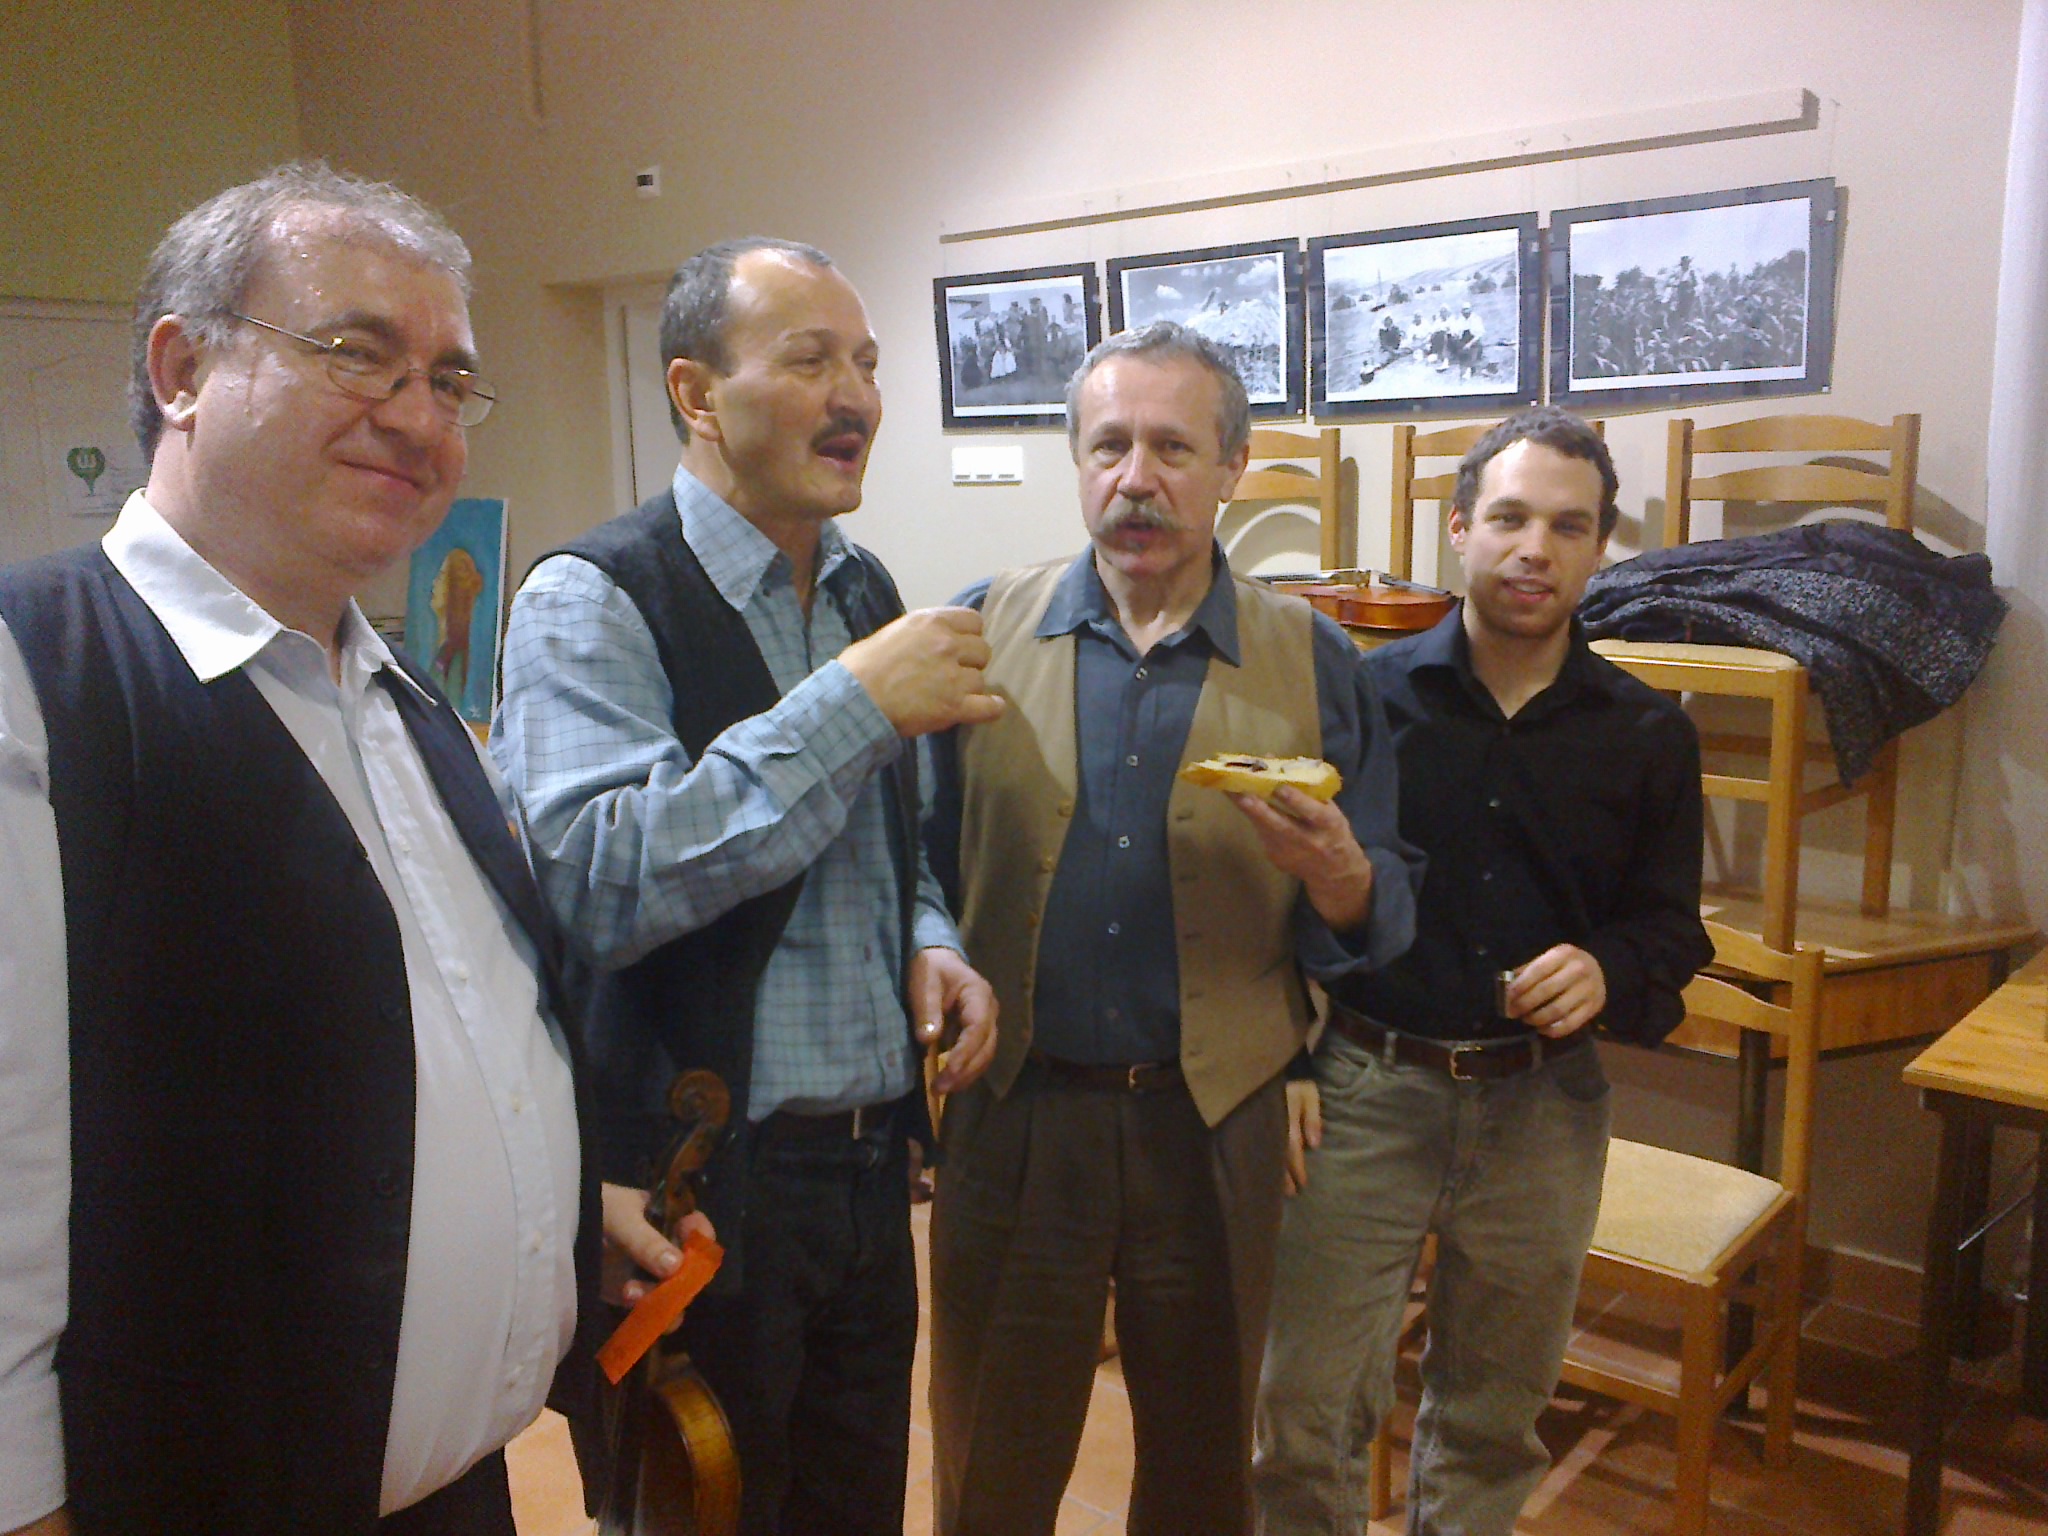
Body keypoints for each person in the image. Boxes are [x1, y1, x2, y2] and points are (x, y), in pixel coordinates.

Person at [0, 163, 608, 1535]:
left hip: (460, 1497)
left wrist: (562, 1209)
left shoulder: (409, 705)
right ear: (181, 369)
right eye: (356, 353)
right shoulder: (39, 680)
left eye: (449, 382)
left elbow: (445, 1039)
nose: (419, 418)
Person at [492, 236, 1003, 1536]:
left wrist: (930, 937)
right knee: (704, 1512)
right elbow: (600, 884)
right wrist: (851, 705)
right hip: (702, 1195)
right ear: (696, 394)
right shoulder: (593, 598)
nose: (856, 396)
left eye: (867, 364)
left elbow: (893, 841)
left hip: (872, 1174)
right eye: (810, 359)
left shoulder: (862, 589)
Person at [924, 321, 1423, 1536]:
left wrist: (1342, 882)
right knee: (990, 1455)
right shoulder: (981, 628)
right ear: (1076, 461)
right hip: (1017, 1108)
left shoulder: (1314, 658)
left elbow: (1377, 902)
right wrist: (931, 942)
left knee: (1204, 1467)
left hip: (1214, 1121)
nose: (1134, 479)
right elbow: (914, 854)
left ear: (1231, 467)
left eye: (1170, 448)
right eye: (1107, 446)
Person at [1252, 406, 1713, 1536]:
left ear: (1598, 549)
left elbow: (1670, 932)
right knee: (1301, 1413)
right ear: (1458, 529)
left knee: (1493, 1420)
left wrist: (1609, 966)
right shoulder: (1363, 700)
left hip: (1542, 1104)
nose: (1533, 549)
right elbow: (1270, 902)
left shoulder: (1648, 733)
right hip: (1363, 1088)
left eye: (1567, 527)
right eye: (1507, 518)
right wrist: (1283, 1064)